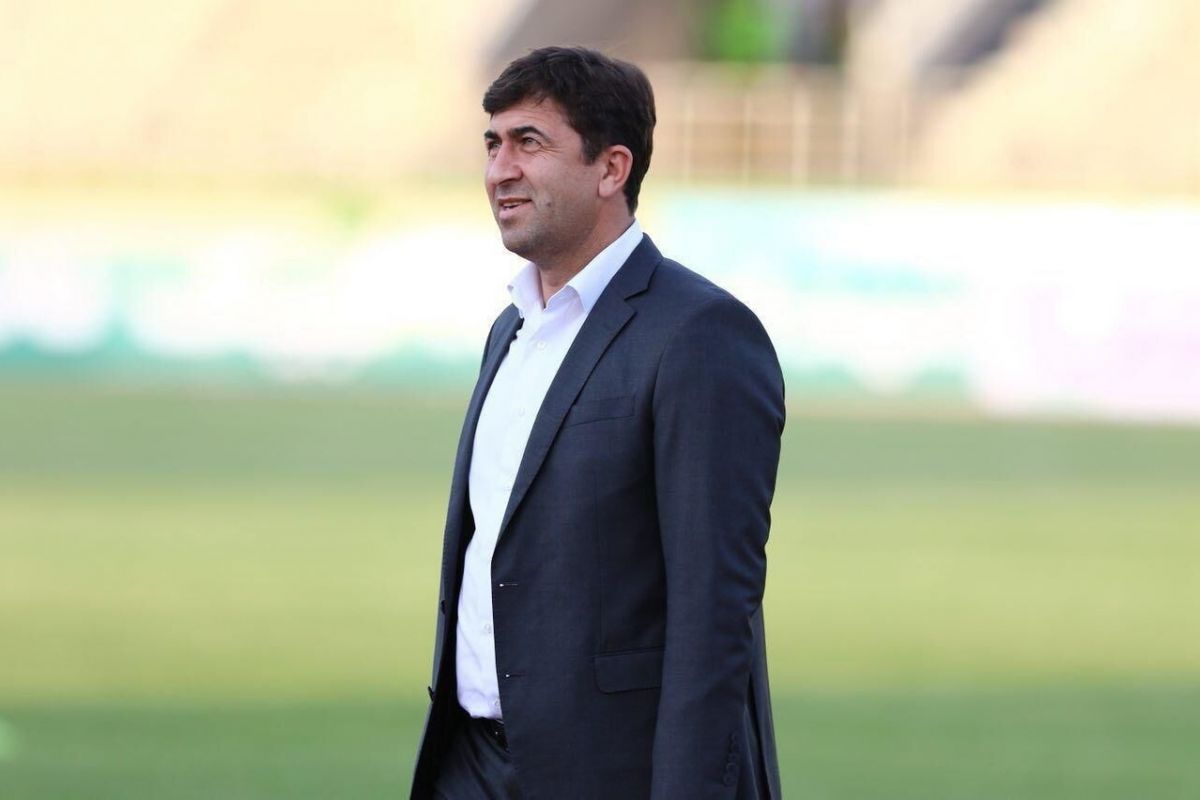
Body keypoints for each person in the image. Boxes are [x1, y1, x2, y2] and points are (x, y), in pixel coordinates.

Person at [410, 46, 785, 800]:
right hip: (470, 764)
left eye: (529, 142)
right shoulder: (510, 329)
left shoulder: (700, 334)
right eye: (492, 144)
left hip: (610, 773)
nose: (500, 169)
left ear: (612, 169)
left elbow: (715, 612)